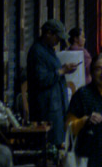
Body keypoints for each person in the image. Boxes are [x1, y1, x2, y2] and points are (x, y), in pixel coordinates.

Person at [25, 19, 76, 147]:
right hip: (46, 108)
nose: (59, 41)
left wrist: (63, 69)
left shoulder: (48, 50)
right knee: (50, 142)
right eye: (57, 37)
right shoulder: (37, 52)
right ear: (48, 33)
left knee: (58, 140)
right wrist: (61, 71)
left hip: (55, 105)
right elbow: (41, 79)